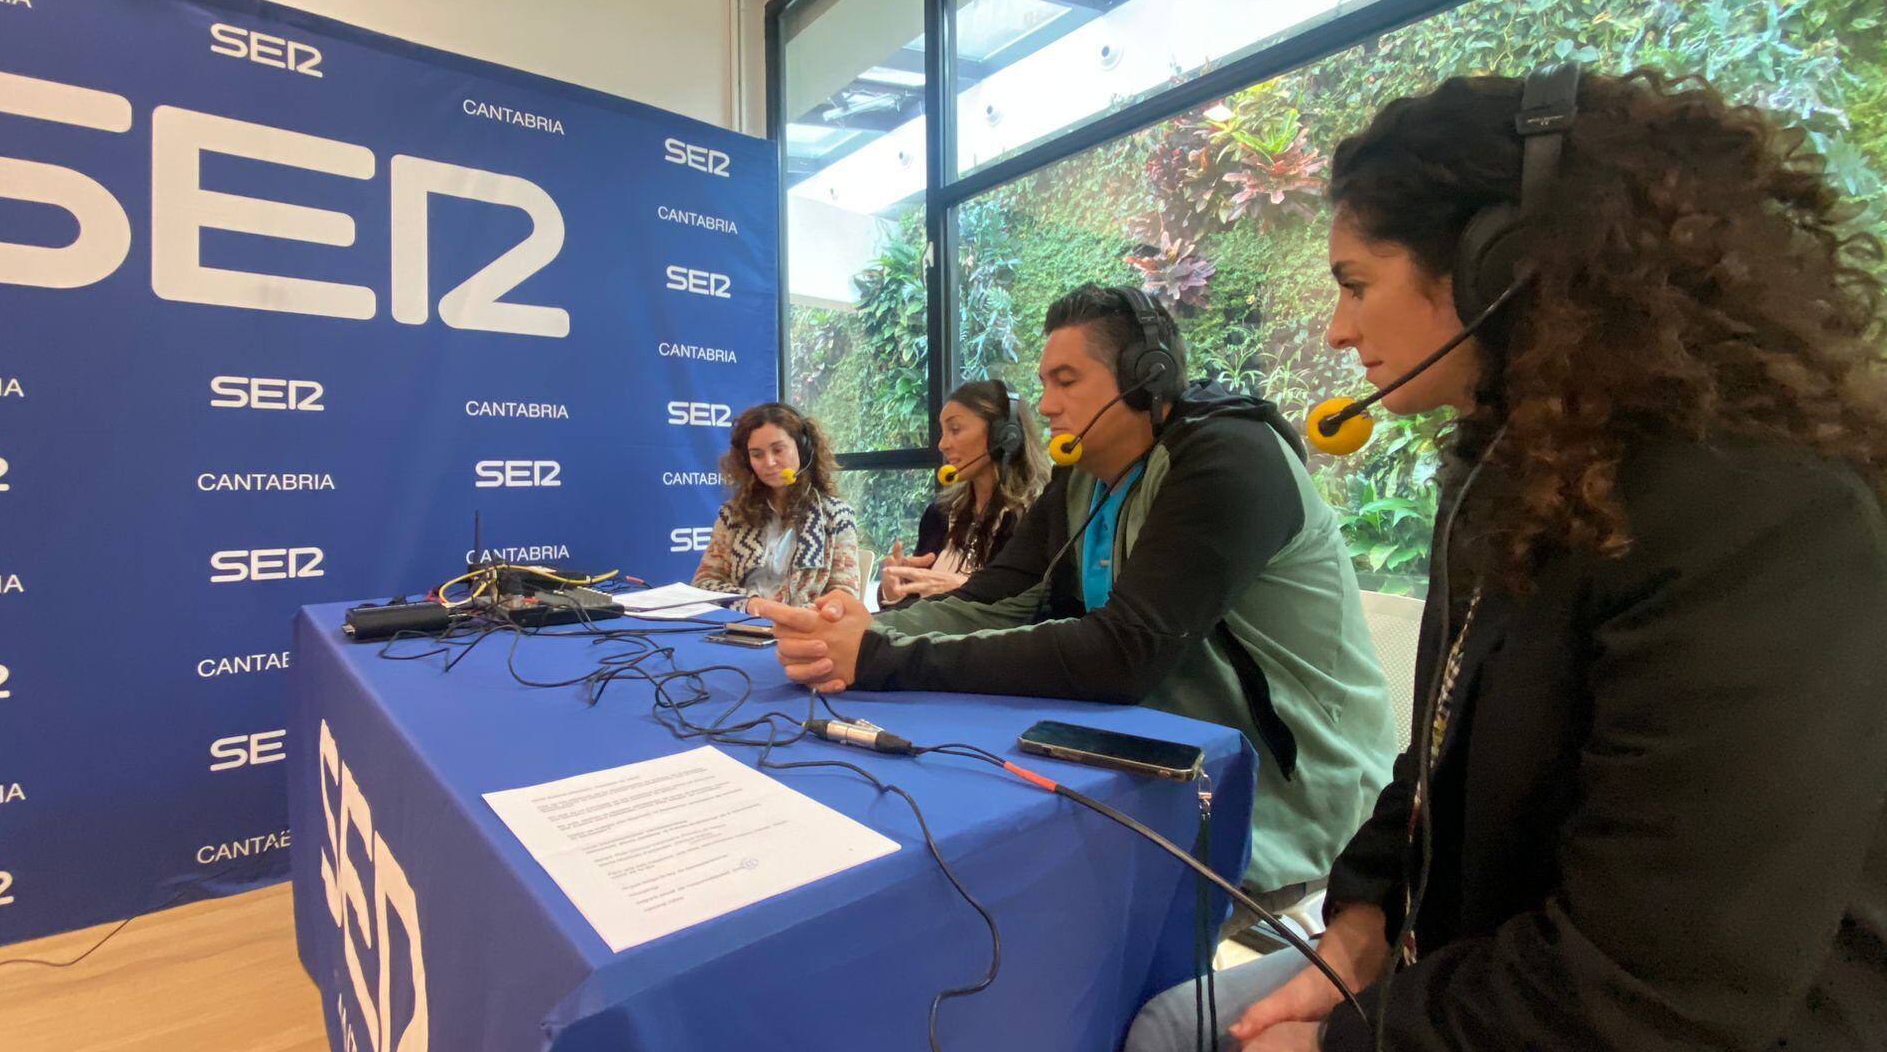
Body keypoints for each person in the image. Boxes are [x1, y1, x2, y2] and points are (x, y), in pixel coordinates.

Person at [1132, 69, 1887, 1052]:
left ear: (1501, 267)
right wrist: (1362, 917)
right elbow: (1439, 752)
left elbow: (1655, 991)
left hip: (1670, 1022)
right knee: (1169, 1026)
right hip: (1493, 966)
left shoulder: (1757, 516)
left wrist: (1345, 1045)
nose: (1335, 329)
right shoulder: (1509, 473)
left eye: (1355, 286)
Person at [768, 284, 1397, 911]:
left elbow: (1122, 656)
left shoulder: (1231, 459)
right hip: (1160, 769)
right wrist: (861, 628)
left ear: (1147, 374)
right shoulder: (1083, 475)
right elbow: (994, 597)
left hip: (1287, 801)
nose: (1045, 405)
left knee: (1020, 903)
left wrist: (880, 657)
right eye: (1044, 383)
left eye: (1066, 381)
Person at [879, 377, 1051, 606]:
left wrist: (965, 590)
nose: (942, 444)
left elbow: (1033, 608)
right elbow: (913, 606)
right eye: (943, 431)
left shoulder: (1037, 515)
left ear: (1004, 435)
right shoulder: (939, 514)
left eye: (955, 429)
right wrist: (895, 591)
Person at [691, 403, 860, 612]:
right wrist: (751, 603)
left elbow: (844, 596)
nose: (769, 462)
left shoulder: (836, 516)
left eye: (778, 450)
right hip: (742, 627)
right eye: (757, 454)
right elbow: (703, 584)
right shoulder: (733, 515)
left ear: (803, 449)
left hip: (804, 632)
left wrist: (788, 615)